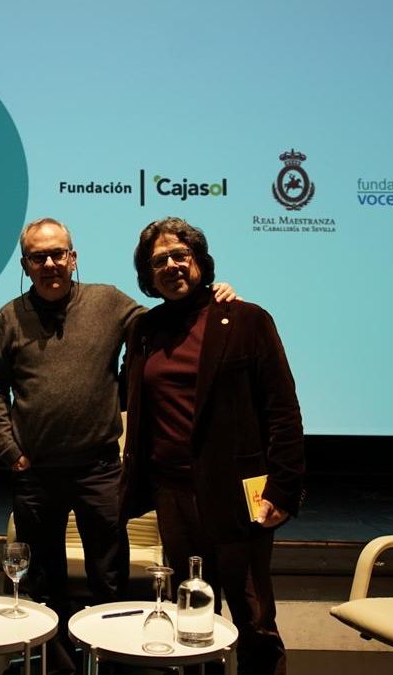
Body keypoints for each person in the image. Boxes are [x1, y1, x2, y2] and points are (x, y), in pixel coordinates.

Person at [0, 217, 236, 673]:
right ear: (25, 264)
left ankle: (110, 665)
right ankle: (53, 667)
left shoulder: (108, 303)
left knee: (109, 579)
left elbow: (169, 317)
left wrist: (214, 296)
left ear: (73, 257)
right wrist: (7, 447)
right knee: (43, 583)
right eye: (38, 256)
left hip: (99, 470)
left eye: (58, 253)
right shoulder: (8, 317)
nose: (49, 263)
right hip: (34, 472)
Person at [119, 217, 304, 675]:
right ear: (147, 274)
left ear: (199, 260)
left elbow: (282, 409)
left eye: (180, 256)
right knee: (193, 615)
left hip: (238, 494)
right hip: (172, 494)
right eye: (159, 260)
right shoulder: (143, 330)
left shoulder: (246, 319)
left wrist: (284, 489)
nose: (172, 266)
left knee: (255, 619)